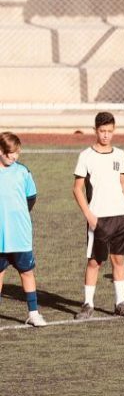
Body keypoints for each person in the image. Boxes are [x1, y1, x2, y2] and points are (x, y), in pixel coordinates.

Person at [72, 111, 124, 320]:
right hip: (99, 218)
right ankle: (88, 304)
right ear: (95, 130)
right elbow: (77, 189)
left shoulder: (120, 154)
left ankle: (120, 303)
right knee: (95, 261)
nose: (106, 135)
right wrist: (89, 215)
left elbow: (122, 182)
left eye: (109, 131)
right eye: (102, 131)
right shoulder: (86, 156)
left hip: (121, 216)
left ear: (114, 130)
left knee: (119, 259)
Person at [0, 132, 46, 327]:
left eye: (17, 153)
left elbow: (31, 198)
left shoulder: (23, 172)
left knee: (27, 272)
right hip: (1, 236)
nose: (14, 157)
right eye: (10, 153)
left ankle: (33, 313)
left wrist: (17, 216)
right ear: (0, 151)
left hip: (20, 234)